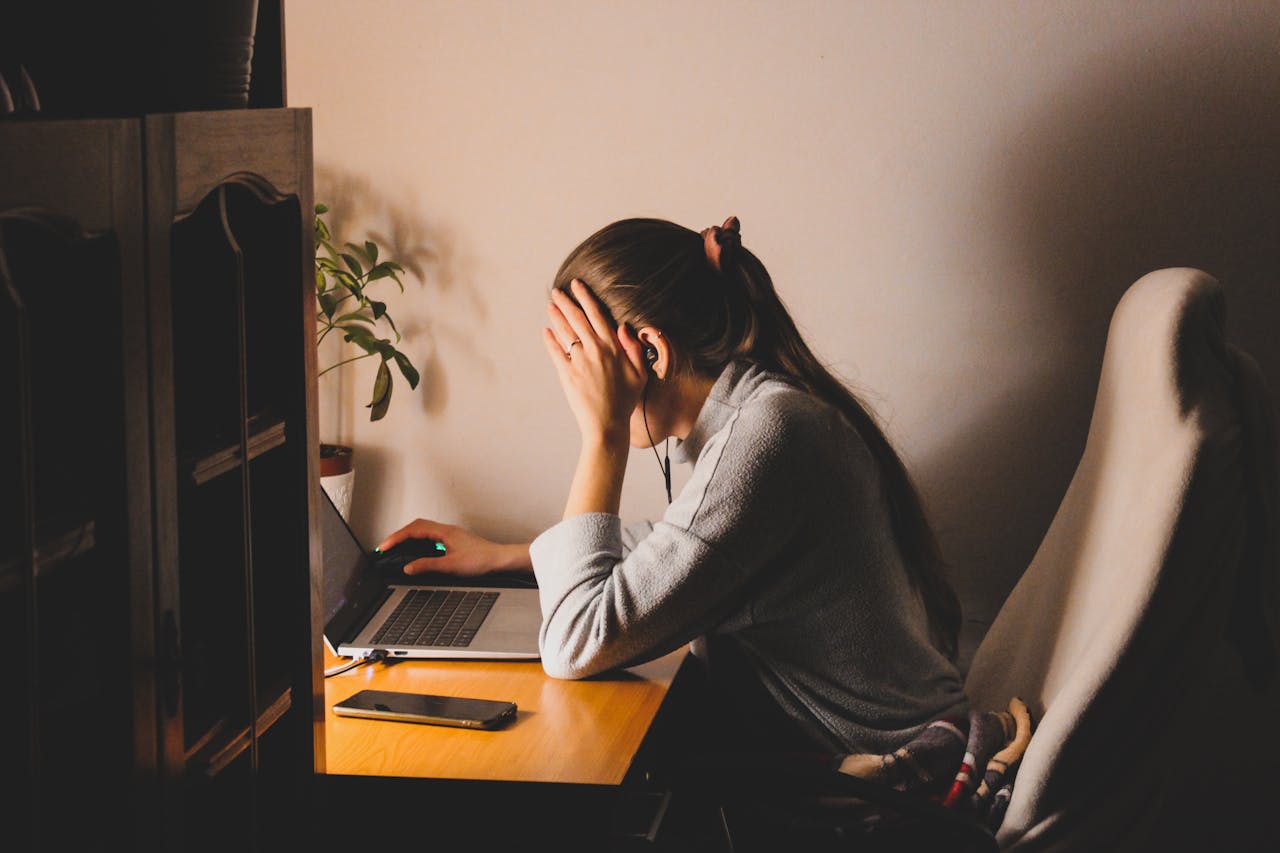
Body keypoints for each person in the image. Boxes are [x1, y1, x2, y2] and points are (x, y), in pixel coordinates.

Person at [377, 215, 968, 756]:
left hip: (877, 791)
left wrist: (603, 435)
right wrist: (506, 556)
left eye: (579, 361)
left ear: (650, 353)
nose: (572, 387)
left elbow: (576, 642)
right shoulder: (765, 413)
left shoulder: (769, 435)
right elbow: (680, 545)